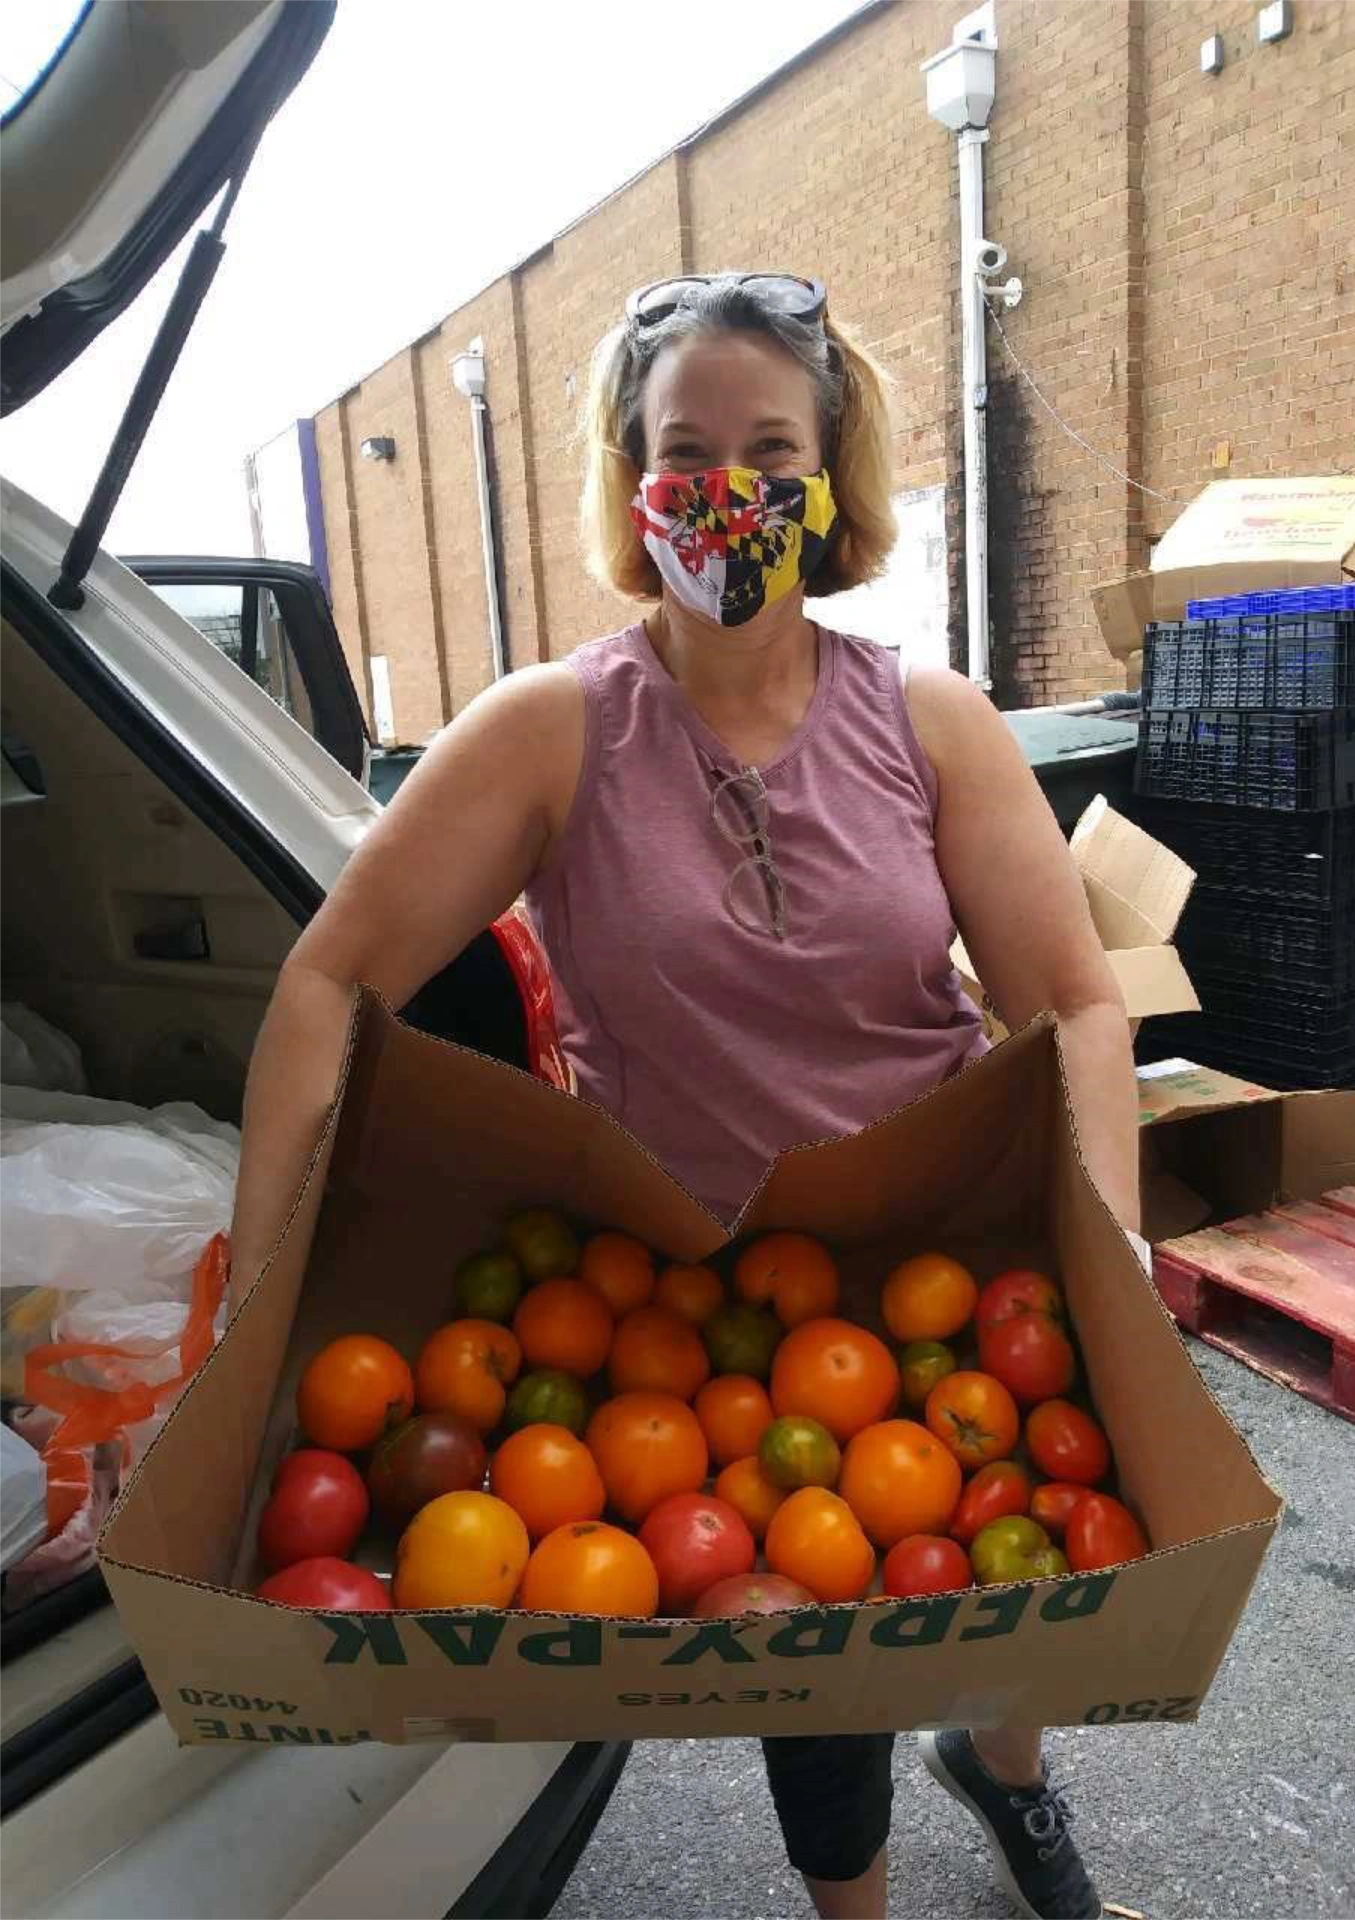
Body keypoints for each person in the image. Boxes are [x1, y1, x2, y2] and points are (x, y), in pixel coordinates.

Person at [229, 271, 1139, 1920]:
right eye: (686, 447)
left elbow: (1074, 999)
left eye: (771, 447)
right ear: (633, 479)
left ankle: (1008, 1768)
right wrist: (262, 1284)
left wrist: (1118, 1250)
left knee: (1038, 1566)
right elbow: (324, 982)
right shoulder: (549, 732)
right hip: (700, 1282)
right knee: (811, 1643)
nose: (731, 487)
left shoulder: (932, 725)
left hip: (939, 1234)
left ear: (830, 473)